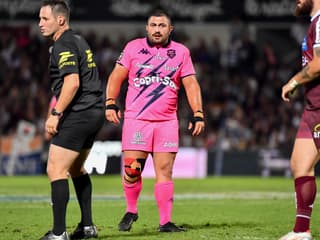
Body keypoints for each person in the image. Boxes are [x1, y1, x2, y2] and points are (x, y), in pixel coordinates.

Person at [105, 9, 205, 232]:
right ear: (147, 28)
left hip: (167, 123)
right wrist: (110, 102)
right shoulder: (133, 48)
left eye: (162, 26)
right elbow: (116, 76)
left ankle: (165, 222)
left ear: (170, 29)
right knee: (132, 170)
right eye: (153, 25)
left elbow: (191, 85)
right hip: (137, 120)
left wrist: (198, 113)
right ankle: (131, 210)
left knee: (164, 172)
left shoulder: (181, 52)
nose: (157, 29)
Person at [38, 1, 104, 239]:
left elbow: (73, 82)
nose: (40, 24)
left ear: (61, 20)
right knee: (76, 168)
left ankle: (58, 233)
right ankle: (87, 227)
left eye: (45, 19)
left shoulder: (63, 44)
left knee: (56, 168)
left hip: (81, 112)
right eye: (40, 18)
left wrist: (56, 113)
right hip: (94, 111)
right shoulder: (77, 39)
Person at [280, 0, 320, 240]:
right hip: (313, 105)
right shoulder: (314, 21)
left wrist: (293, 81)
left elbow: (319, 64)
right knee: (300, 164)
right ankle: (301, 231)